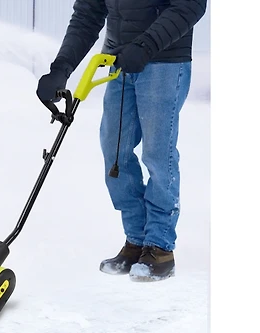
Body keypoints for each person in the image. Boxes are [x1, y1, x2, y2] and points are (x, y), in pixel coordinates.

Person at [36, 0, 207, 282]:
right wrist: (61, 68)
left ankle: (160, 248)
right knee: (115, 152)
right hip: (119, 62)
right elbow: (87, 14)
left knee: (157, 154)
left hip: (164, 61)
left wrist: (145, 46)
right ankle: (137, 240)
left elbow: (189, 6)